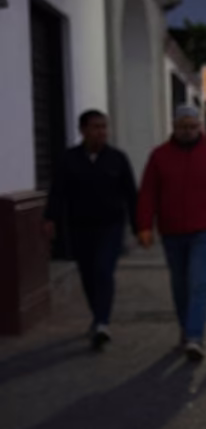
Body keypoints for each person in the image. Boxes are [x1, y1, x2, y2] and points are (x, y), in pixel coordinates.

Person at [136, 105, 206, 360]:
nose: (187, 131)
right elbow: (148, 192)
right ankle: (186, 328)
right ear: (174, 127)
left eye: (192, 126)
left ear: (200, 127)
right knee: (179, 283)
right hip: (171, 230)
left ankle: (195, 336)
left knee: (199, 281)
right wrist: (143, 225)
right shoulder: (159, 157)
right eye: (183, 126)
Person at [42, 110, 138, 351]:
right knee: (88, 274)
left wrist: (139, 226)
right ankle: (98, 317)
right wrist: (50, 219)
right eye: (96, 127)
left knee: (103, 270)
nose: (101, 132)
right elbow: (58, 192)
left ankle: (103, 323)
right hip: (80, 226)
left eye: (104, 127)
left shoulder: (117, 159)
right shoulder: (69, 159)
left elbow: (131, 194)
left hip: (111, 225)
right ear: (83, 130)